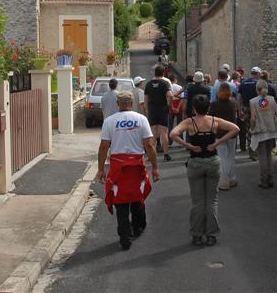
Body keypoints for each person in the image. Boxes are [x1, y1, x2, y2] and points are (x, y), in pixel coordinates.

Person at [170, 94, 239, 247]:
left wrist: (188, 145)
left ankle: (196, 235)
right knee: (212, 201)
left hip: (195, 162)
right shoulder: (214, 121)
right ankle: (211, 235)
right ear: (208, 107)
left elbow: (173, 134)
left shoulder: (189, 122)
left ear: (194, 108)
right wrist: (217, 143)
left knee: (197, 202)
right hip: (212, 162)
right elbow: (235, 128)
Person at [97, 92, 160, 250]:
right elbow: (149, 145)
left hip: (118, 166)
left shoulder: (109, 121)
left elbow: (104, 147)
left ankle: (125, 237)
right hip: (136, 164)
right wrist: (155, 168)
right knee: (137, 195)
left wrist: (100, 169)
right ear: (132, 103)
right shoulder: (141, 119)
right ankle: (138, 226)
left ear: (118, 104)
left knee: (120, 201)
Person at [248, 79, 277, 188]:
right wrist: (276, 123)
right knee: (269, 155)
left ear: (257, 89)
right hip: (271, 131)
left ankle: (264, 181)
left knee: (262, 157)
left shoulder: (253, 101)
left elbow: (253, 119)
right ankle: (271, 179)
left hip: (260, 131)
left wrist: (251, 128)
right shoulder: (272, 99)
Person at [209, 82, 239, 190]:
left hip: (219, 133)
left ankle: (224, 181)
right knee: (231, 156)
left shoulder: (214, 104)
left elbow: (210, 118)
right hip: (232, 132)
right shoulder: (233, 103)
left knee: (222, 158)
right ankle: (232, 178)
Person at [144, 65, 173, 161]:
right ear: (163, 73)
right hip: (163, 109)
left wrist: (147, 110)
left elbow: (145, 99)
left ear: (154, 73)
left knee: (152, 132)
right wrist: (169, 105)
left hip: (152, 110)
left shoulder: (148, 84)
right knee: (164, 132)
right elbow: (170, 95)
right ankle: (166, 154)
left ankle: (151, 155)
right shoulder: (165, 83)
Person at [238, 66, 262, 159]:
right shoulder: (258, 83)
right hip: (256, 108)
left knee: (249, 129)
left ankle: (251, 152)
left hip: (246, 108)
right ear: (258, 74)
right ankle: (257, 152)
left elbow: (239, 98)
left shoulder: (243, 83)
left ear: (252, 73)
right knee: (257, 129)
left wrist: (239, 110)